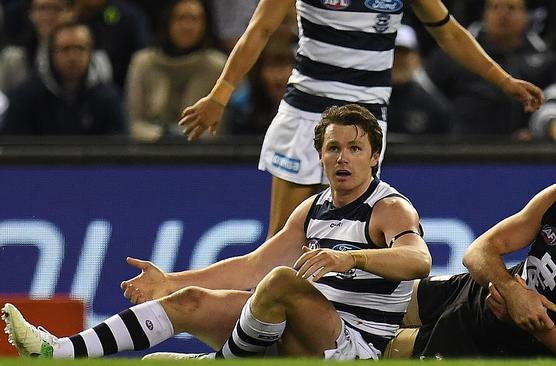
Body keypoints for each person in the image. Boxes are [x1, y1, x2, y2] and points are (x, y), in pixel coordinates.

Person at [2, 104, 432, 360]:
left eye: (355, 148)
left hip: (353, 349)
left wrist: (350, 258)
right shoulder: (314, 207)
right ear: (320, 155)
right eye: (334, 147)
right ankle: (56, 351)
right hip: (298, 335)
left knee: (281, 283)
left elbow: (420, 260)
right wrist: (172, 281)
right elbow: (251, 265)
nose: (343, 158)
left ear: (374, 158)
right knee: (190, 301)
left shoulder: (388, 208)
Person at [178, 0, 545, 239]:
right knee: (282, 240)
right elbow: (259, 29)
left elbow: (448, 31)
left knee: (345, 236)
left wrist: (503, 80)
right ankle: (267, 343)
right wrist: (220, 95)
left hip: (365, 123)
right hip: (304, 115)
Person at [393, 136, 556, 359]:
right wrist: (513, 293)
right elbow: (478, 250)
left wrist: (538, 327)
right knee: (365, 298)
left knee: (374, 349)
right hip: (469, 291)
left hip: (491, 344)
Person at [424, 0, 556, 139]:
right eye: (495, 7)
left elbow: (553, 99)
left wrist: (535, 132)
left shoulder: (543, 58)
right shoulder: (449, 56)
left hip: (522, 149)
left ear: (526, 15)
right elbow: (429, 97)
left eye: (511, 8)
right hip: (460, 146)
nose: (503, 14)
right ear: (484, 13)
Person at [125, 0, 226, 141]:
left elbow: (219, 129)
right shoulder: (144, 63)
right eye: (181, 18)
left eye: (195, 19)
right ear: (168, 22)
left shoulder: (218, 67)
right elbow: (133, 123)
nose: (187, 26)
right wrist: (163, 137)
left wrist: (183, 137)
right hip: (148, 153)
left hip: (203, 156)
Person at [1, 21, 126, 135]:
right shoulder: (26, 97)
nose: (73, 57)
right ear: (51, 53)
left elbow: (119, 145)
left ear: (90, 53)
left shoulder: (108, 98)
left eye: (80, 48)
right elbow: (15, 146)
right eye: (65, 49)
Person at [0, 0, 112, 94]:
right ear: (31, 14)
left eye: (56, 8)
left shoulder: (97, 61)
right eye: (41, 9)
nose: (47, 16)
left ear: (72, 12)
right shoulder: (15, 59)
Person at [388, 24, 450, 135]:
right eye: (394, 53)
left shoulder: (433, 107)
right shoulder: (365, 100)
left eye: (404, 54)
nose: (398, 61)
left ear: (416, 58)